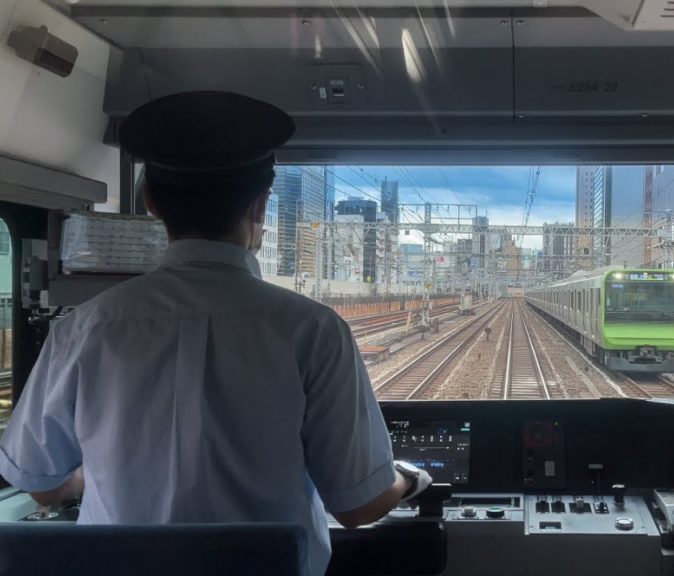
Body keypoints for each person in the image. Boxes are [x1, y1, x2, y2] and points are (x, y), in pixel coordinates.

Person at [0, 91, 431, 576]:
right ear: (261, 206)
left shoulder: (83, 327)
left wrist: (102, 472)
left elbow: (39, 481)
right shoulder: (312, 328)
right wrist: (410, 477)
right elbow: (359, 506)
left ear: (151, 203)